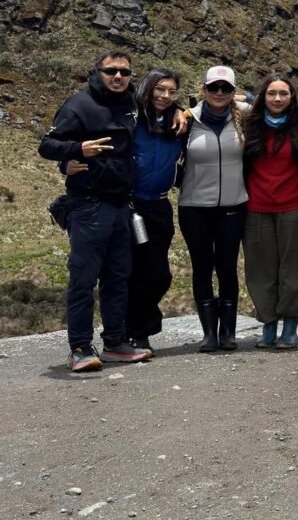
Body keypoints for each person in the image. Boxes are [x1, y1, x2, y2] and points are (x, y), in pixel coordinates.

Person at [38, 50, 149, 372]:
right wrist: (76, 151)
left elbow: (161, 105)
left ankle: (114, 342)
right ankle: (80, 347)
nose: (117, 77)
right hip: (88, 204)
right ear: (97, 72)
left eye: (124, 72)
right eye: (110, 71)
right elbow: (47, 145)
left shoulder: (130, 104)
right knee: (84, 278)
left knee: (118, 277)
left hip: (121, 205)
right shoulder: (79, 105)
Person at [177, 66, 248, 352]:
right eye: (214, 88)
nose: (220, 93)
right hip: (194, 206)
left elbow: (269, 101)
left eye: (226, 88)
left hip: (233, 205)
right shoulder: (187, 121)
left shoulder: (244, 117)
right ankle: (209, 333)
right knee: (202, 267)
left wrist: (245, 97)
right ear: (203, 90)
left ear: (233, 92)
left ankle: (228, 332)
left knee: (227, 267)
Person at [242, 74, 298, 348]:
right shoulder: (250, 126)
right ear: (263, 97)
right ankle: (268, 323)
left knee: (294, 269)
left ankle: (291, 324)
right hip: (257, 207)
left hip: (294, 206)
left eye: (284, 94)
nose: (278, 99)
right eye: (272, 93)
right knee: (260, 270)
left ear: (292, 98)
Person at [124, 68, 187, 357]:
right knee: (133, 271)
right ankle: (135, 333)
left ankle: (131, 329)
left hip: (159, 206)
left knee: (159, 274)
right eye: (159, 89)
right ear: (147, 88)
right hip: (130, 204)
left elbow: (227, 104)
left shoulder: (178, 123)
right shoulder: (130, 116)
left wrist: (182, 110)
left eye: (171, 91)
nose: (164, 96)